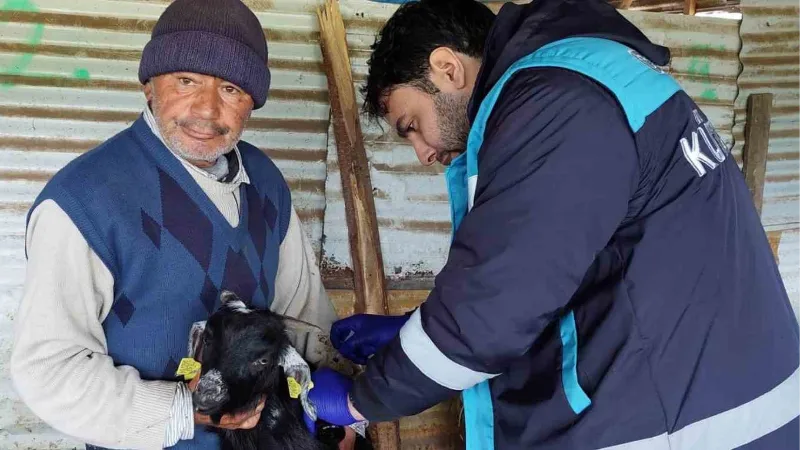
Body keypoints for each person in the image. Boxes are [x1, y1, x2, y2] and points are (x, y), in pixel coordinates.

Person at [305, 0, 800, 448]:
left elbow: (491, 314)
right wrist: (415, 334)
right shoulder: (590, 79)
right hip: (716, 403)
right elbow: (557, 281)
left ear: (447, 68)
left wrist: (359, 402)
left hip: (688, 427)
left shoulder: (554, 101)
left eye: (411, 125)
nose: (424, 154)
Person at [9, 0, 354, 449]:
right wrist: (183, 410)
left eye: (231, 89)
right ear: (148, 86)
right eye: (186, 81)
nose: (207, 111)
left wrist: (339, 413)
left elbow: (305, 315)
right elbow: (49, 370)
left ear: (252, 102)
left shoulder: (266, 183)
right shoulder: (84, 200)